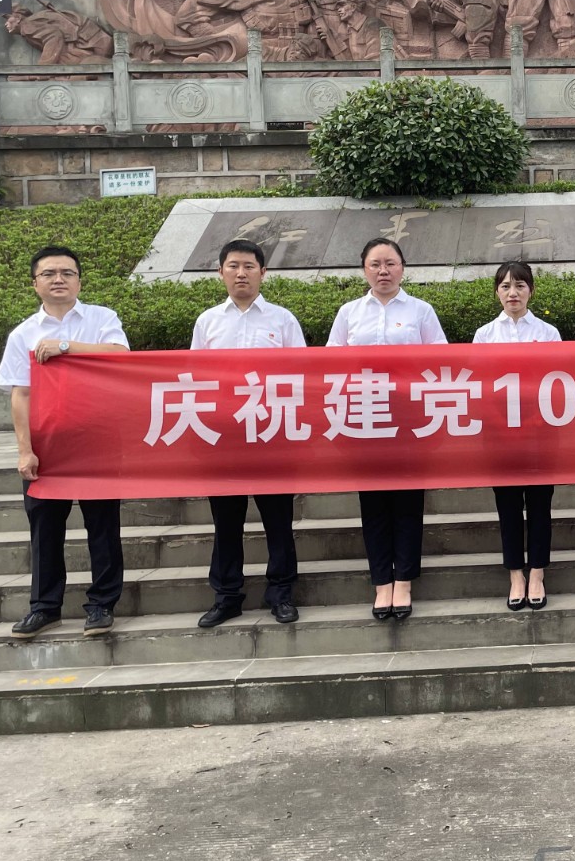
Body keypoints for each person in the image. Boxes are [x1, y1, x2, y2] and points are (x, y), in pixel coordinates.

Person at [0, 246, 130, 639]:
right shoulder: (23, 333)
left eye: (67, 273)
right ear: (34, 283)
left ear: (79, 281)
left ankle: (102, 604)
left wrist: (65, 346)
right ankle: (44, 607)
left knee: (102, 526)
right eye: (49, 273)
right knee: (45, 528)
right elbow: (20, 394)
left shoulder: (102, 319)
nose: (59, 279)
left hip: (97, 441)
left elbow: (120, 355)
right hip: (47, 445)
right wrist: (25, 450)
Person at [326, 237, 448, 622]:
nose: (383, 271)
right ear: (364, 269)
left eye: (390, 263)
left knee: (409, 501)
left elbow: (440, 359)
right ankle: (382, 581)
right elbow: (331, 363)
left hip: (410, 419)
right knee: (373, 502)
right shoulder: (349, 313)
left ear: (402, 268)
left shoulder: (421, 311)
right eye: (376, 264)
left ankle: (404, 580)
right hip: (365, 418)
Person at [189, 238, 307, 628]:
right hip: (223, 437)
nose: (241, 273)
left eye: (249, 267)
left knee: (278, 520)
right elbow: (194, 380)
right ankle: (227, 596)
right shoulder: (208, 322)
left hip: (272, 434)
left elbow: (302, 376)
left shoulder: (282, 320)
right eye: (233, 266)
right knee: (226, 522)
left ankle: (281, 593)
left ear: (263, 273)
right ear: (220, 272)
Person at [472, 262, 562, 610]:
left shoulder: (548, 332)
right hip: (498, 432)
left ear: (531, 291)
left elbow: (557, 382)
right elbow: (480, 385)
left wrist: (539, 419)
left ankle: (537, 571)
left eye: (520, 286)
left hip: (541, 430)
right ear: (497, 292)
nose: (513, 293)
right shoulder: (484, 335)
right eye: (506, 286)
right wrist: (497, 420)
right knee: (507, 505)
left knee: (540, 503)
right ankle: (515, 575)